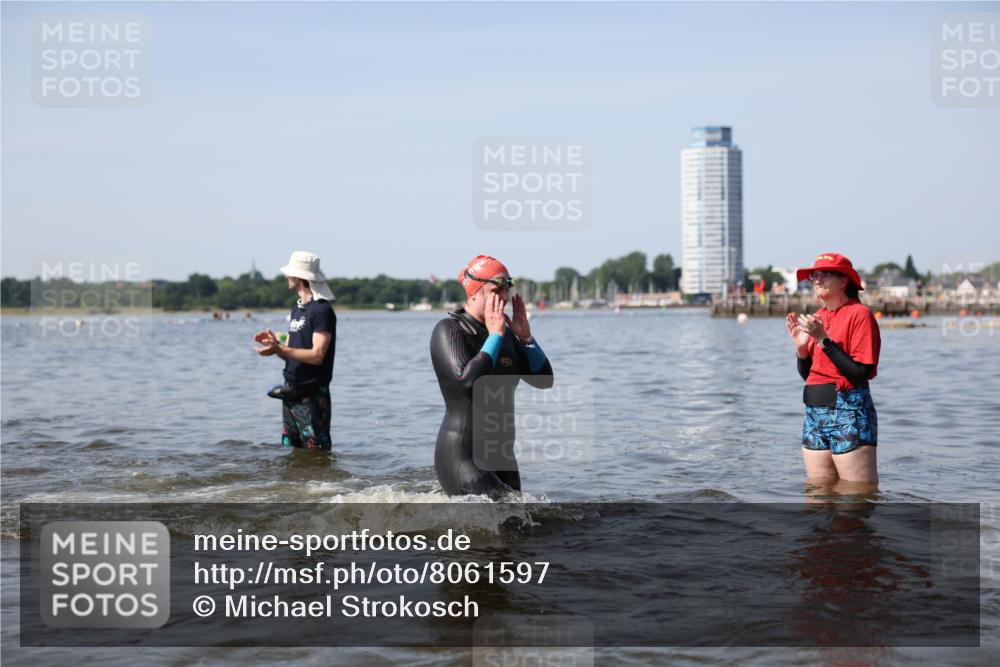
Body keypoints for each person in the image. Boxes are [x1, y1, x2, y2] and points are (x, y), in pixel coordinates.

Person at [429, 255, 553, 497]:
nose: (504, 297)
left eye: (507, 290)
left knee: (523, 527)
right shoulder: (450, 330)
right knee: (507, 518)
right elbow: (467, 382)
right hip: (463, 457)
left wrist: (526, 339)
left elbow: (544, 380)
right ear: (474, 291)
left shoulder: (504, 333)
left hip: (503, 458)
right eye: (497, 290)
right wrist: (494, 337)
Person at [786, 253, 880, 485]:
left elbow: (860, 373)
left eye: (824, 274)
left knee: (855, 498)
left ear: (844, 280)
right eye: (813, 276)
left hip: (849, 411)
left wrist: (824, 341)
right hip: (815, 412)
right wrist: (802, 350)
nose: (817, 280)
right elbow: (810, 375)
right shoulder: (818, 317)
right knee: (817, 495)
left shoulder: (860, 314)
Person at [254, 251, 337, 451]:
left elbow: (317, 355)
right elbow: (291, 348)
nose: (286, 277)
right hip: (290, 390)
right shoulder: (297, 310)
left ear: (300, 278)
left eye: (289, 273)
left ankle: (323, 484)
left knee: (317, 452)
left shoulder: (322, 310)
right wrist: (275, 347)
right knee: (291, 451)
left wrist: (281, 348)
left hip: (312, 394)